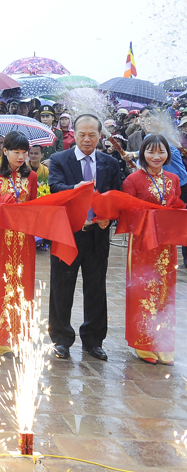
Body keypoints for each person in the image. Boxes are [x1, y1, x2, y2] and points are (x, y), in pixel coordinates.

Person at [47, 114, 125, 361]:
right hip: (68, 234)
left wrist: (109, 218)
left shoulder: (110, 163)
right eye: (82, 134)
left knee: (96, 288)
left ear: (100, 135)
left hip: (97, 235)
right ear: (74, 134)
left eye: (92, 134)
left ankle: (93, 340)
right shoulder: (59, 160)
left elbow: (116, 196)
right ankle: (61, 339)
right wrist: (78, 189)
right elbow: (55, 187)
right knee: (62, 286)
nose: (87, 138)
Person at [120, 134, 182, 365]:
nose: (156, 156)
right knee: (144, 288)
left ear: (167, 154)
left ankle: (164, 340)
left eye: (161, 152)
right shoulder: (132, 180)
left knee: (166, 290)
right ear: (142, 153)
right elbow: (127, 214)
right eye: (151, 152)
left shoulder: (173, 179)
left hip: (167, 243)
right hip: (142, 244)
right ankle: (144, 341)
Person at [0, 132, 39, 356]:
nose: (21, 156)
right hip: (1, 240)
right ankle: (2, 334)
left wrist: (24, 209)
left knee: (22, 284)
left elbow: (34, 206)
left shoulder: (31, 177)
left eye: (24, 152)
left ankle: (20, 334)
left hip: (24, 240)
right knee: (2, 283)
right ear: (5, 152)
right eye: (17, 152)